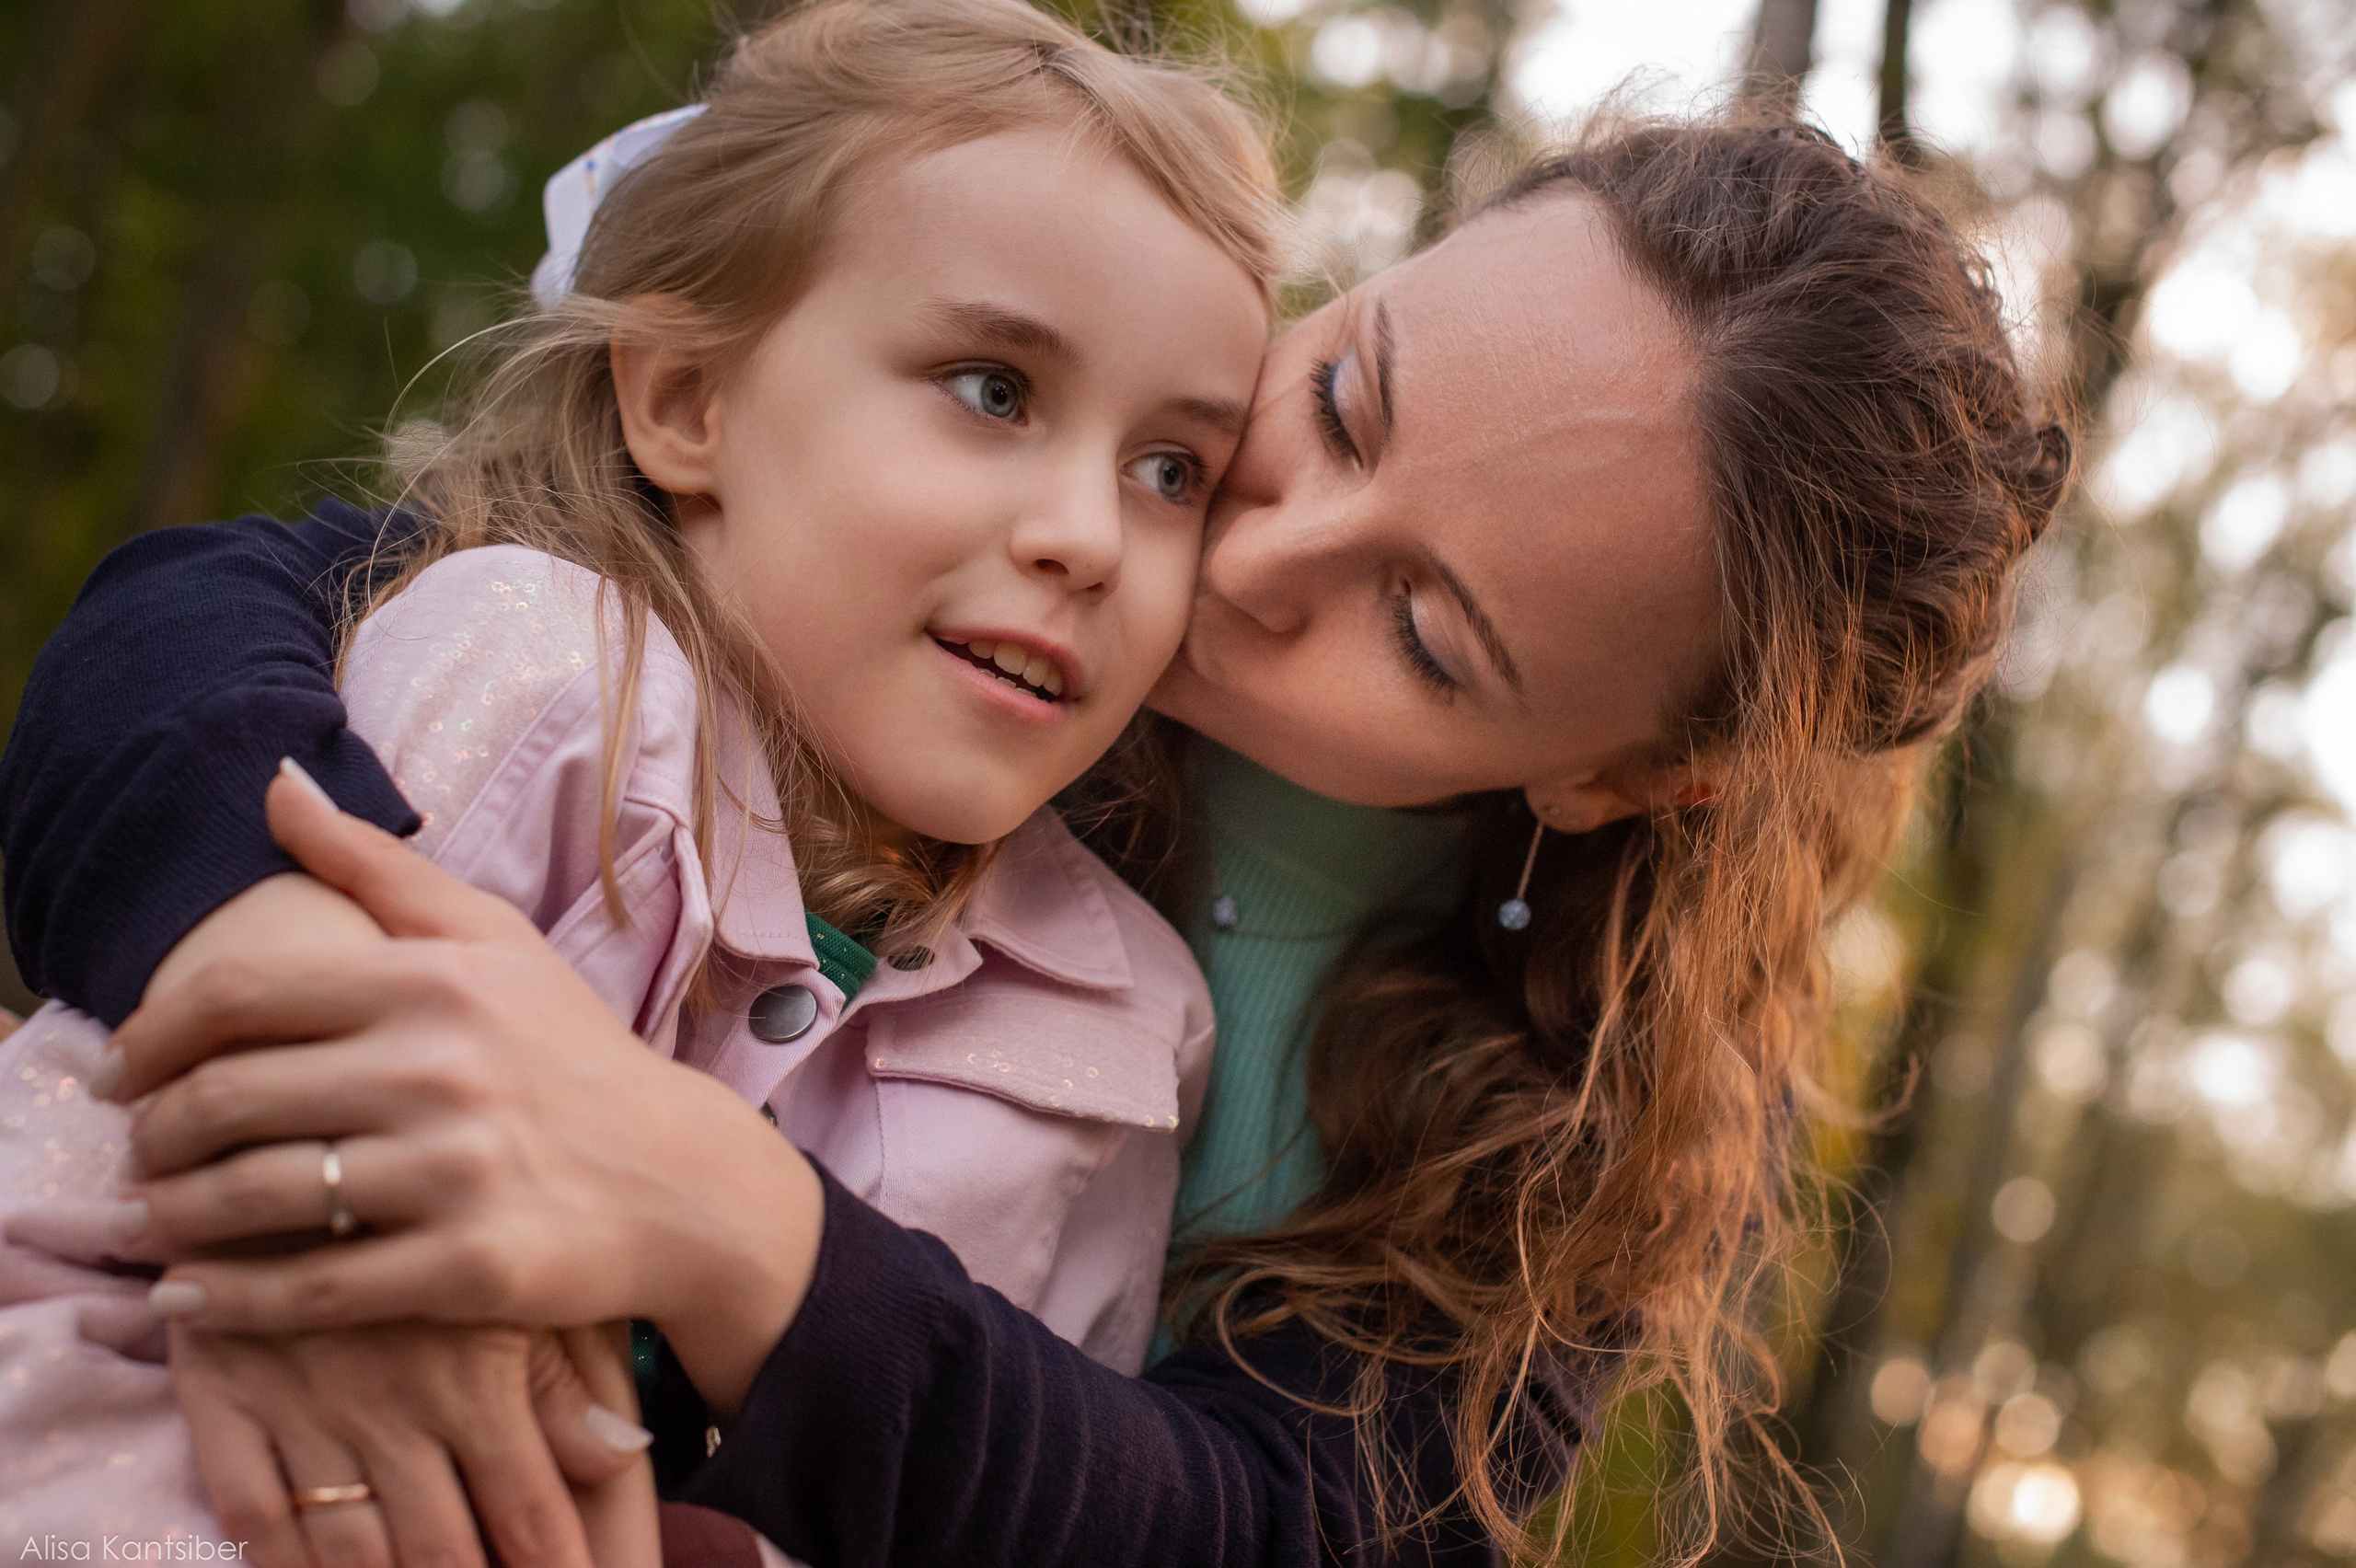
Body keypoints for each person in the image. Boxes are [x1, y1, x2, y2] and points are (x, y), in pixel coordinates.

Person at [0, 105, 2073, 1568]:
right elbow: (234, 617)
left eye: (1425, 633)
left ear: (1623, 776)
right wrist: (275, 983)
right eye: (1339, 400)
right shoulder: (979, 562)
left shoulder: (1566, 1155)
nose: (1254, 551)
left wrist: (729, 1230)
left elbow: (1266, 1535)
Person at [0, 0, 1280, 1558]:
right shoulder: (545, 683)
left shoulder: (1130, 1027)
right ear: (686, 398)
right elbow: (91, 1245)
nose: (1088, 532)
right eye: (993, 388)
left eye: (1173, 473)